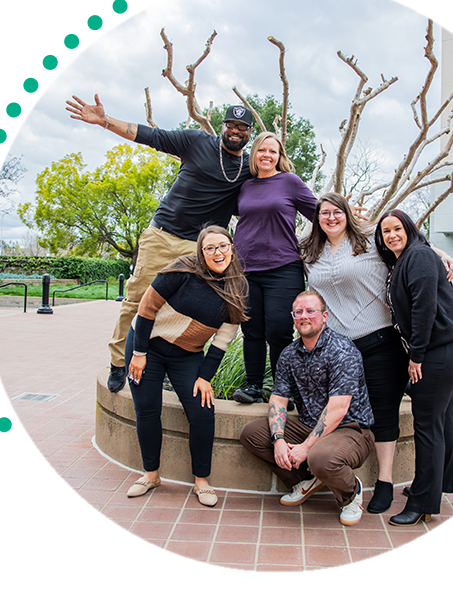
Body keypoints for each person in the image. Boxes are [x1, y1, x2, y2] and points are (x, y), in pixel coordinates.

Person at [65, 94, 254, 392]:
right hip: (163, 235)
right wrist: (104, 121)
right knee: (138, 299)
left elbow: (271, 191)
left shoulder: (248, 168)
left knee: (187, 309)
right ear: (223, 126)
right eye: (231, 123)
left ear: (249, 132)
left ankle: (168, 365)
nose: (235, 130)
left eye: (242, 127)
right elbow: (150, 135)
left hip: (199, 249)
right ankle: (118, 361)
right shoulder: (195, 142)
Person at [299, 192, 453, 515]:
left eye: (337, 212)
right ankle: (340, 476)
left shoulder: (369, 241)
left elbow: (405, 240)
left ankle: (384, 481)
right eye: (324, 213)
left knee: (384, 413)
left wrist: (438, 251)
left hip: (379, 341)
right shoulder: (308, 250)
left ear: (347, 214)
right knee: (341, 413)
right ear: (316, 218)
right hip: (339, 348)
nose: (331, 217)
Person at [124, 225, 248, 507]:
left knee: (203, 413)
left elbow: (222, 340)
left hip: (187, 355)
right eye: (210, 248)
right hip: (147, 345)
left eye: (222, 246)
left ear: (231, 248)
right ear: (201, 252)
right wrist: (140, 352)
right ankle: (151, 475)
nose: (217, 253)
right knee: (147, 410)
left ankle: (201, 481)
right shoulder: (182, 269)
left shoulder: (238, 286)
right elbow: (146, 308)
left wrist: (205, 376)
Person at [239, 290, 375, 526]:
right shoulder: (290, 354)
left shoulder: (342, 350)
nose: (304, 316)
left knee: (320, 456)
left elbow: (338, 409)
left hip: (350, 429)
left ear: (325, 316)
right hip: (307, 425)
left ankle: (351, 493)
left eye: (311, 311)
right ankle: (305, 481)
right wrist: (278, 438)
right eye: (298, 312)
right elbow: (279, 400)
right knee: (252, 435)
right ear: (293, 318)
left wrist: (305, 447)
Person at [374, 209, 453, 526]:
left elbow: (425, 307)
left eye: (397, 228)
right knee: (440, 416)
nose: (391, 235)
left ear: (409, 229)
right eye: (385, 231)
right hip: (441, 345)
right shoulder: (404, 259)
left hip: (440, 348)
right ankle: (434, 486)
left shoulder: (418, 256)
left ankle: (422, 502)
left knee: (426, 422)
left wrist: (416, 356)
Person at [231, 131, 317, 404]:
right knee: (252, 330)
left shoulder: (289, 182)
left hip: (283, 266)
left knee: (279, 330)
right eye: (262, 150)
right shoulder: (244, 185)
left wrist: (355, 226)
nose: (267, 155)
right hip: (246, 269)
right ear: (253, 154)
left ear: (280, 157)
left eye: (273, 151)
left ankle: (284, 390)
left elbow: (320, 214)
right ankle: (254, 386)